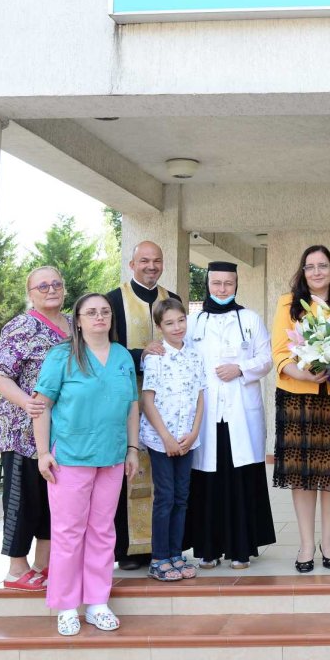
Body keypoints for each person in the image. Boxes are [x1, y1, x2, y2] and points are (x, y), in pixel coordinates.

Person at [31, 293, 140, 636]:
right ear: (77, 319)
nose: (99, 317)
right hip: (70, 458)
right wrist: (42, 452)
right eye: (91, 312)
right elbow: (42, 405)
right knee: (68, 532)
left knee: (103, 531)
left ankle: (96, 602)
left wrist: (133, 449)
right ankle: (66, 605)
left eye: (104, 312)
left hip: (111, 457)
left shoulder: (122, 356)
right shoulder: (62, 356)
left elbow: (132, 406)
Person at [272, 245, 330, 573]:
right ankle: (305, 545)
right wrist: (304, 373)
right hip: (298, 397)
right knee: (302, 475)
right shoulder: (288, 303)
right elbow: (280, 354)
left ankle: (329, 542)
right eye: (310, 266)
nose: (316, 272)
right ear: (303, 271)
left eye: (322, 265)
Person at [179, 261, 276, 569]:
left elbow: (266, 358)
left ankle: (241, 548)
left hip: (239, 412)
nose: (222, 289)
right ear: (207, 284)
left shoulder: (249, 318)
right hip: (205, 414)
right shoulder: (194, 322)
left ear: (236, 285)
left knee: (240, 479)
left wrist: (241, 369)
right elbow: (179, 354)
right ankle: (208, 549)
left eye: (228, 284)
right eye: (216, 283)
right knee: (206, 480)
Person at [0, 266, 71, 591]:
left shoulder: (72, 324)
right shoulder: (22, 325)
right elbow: (0, 374)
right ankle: (15, 568)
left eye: (56, 284)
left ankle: (44, 563)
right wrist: (27, 403)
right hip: (24, 431)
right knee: (22, 500)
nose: (50, 289)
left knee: (52, 500)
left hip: (60, 432)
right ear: (31, 293)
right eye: (42, 286)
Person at [105, 240, 181, 570]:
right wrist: (140, 354)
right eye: (144, 261)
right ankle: (127, 550)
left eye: (157, 261)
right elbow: (104, 349)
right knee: (131, 470)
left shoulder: (172, 300)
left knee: (165, 479)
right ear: (131, 264)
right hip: (130, 401)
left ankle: (161, 548)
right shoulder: (112, 301)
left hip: (170, 405)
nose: (151, 266)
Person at [139, 298, 205, 581]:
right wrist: (165, 438)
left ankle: (177, 554)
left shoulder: (195, 354)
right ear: (159, 326)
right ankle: (159, 557)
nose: (177, 327)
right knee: (164, 498)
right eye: (169, 323)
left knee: (181, 497)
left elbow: (201, 395)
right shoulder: (155, 357)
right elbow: (148, 400)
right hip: (161, 439)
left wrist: (194, 433)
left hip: (187, 438)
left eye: (181, 320)